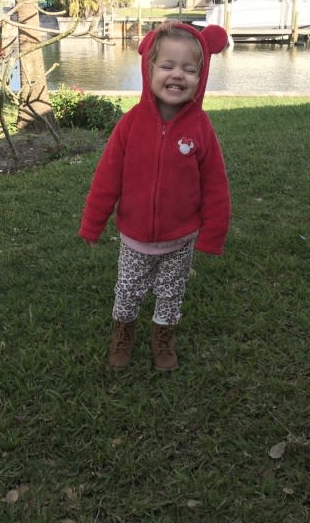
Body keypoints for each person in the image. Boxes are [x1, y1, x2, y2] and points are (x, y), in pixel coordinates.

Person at [78, 22, 231, 371]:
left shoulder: (201, 128)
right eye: (167, 66)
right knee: (128, 291)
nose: (177, 75)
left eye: (189, 70)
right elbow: (106, 180)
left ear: (201, 77)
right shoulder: (130, 125)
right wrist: (92, 224)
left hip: (180, 238)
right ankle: (123, 333)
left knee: (170, 293)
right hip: (133, 238)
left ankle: (163, 337)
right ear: (149, 69)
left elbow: (216, 186)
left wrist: (213, 233)